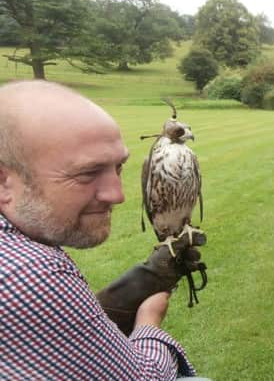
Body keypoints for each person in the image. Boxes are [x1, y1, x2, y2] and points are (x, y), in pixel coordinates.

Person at [0, 80, 195, 379]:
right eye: (88, 173)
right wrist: (148, 323)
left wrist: (88, 315)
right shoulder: (30, 272)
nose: (118, 195)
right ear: (4, 181)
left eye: (118, 168)